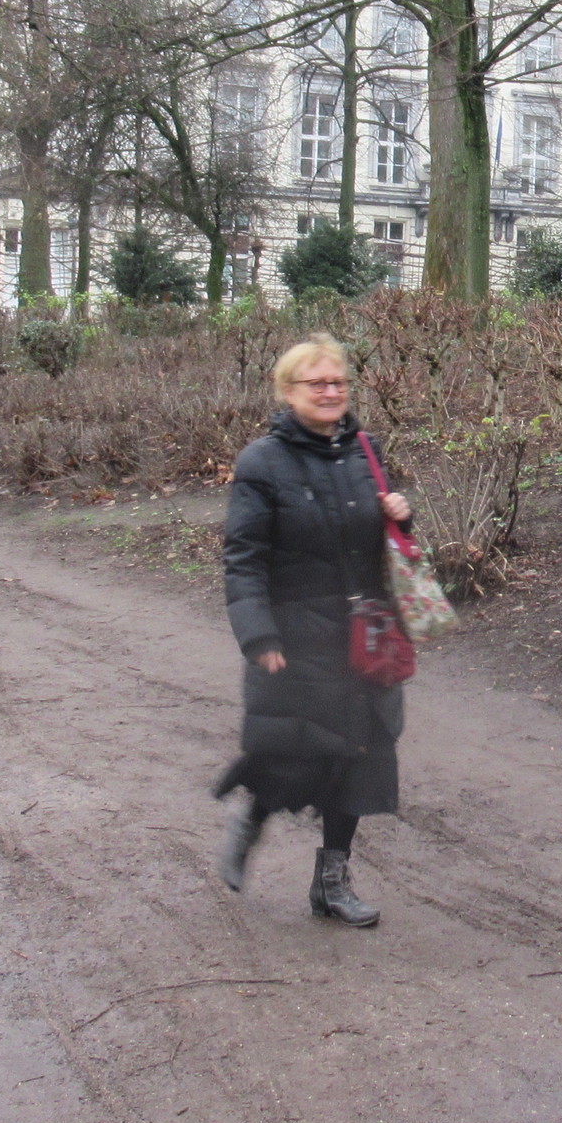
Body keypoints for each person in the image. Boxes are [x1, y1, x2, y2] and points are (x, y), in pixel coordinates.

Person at [214, 333, 413, 926]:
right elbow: (244, 558)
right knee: (294, 754)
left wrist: (401, 518)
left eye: (339, 382)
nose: (330, 392)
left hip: (364, 635)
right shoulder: (261, 463)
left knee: (360, 754)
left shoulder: (366, 452)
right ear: (288, 391)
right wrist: (259, 635)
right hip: (298, 636)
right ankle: (254, 818)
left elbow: (383, 545)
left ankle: (332, 882)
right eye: (317, 383)